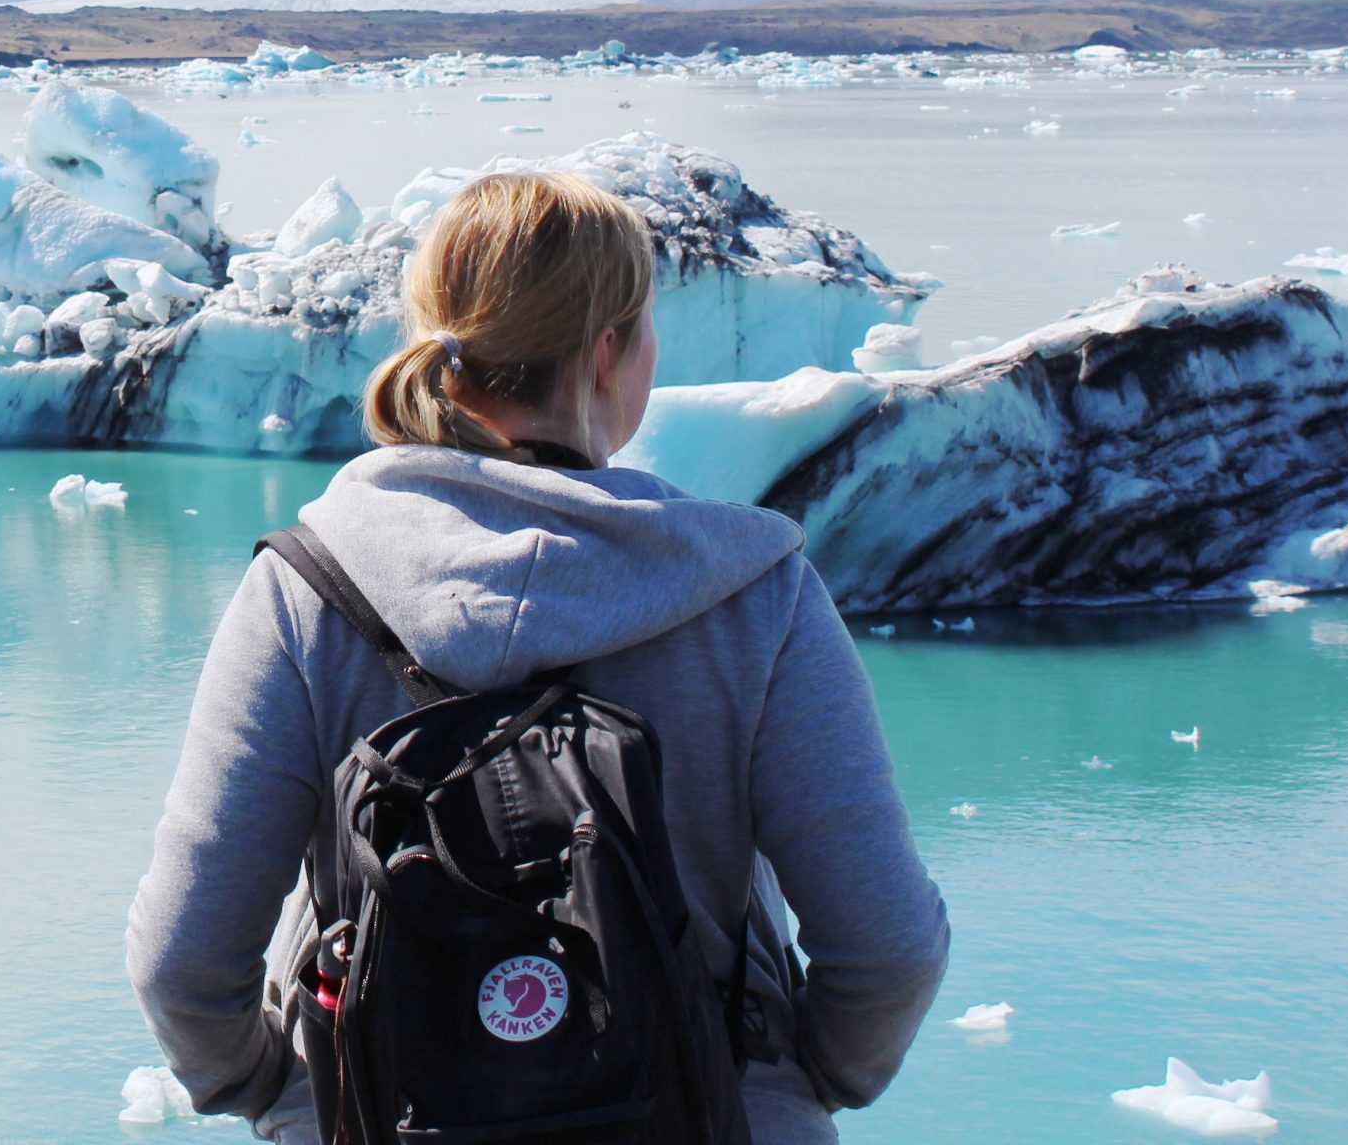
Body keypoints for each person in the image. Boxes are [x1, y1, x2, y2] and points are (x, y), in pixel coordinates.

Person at [125, 168, 949, 1143]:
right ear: (608, 351)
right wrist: (785, 1077)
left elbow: (182, 960)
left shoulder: (306, 588)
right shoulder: (755, 593)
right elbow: (889, 946)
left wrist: (288, 1090)